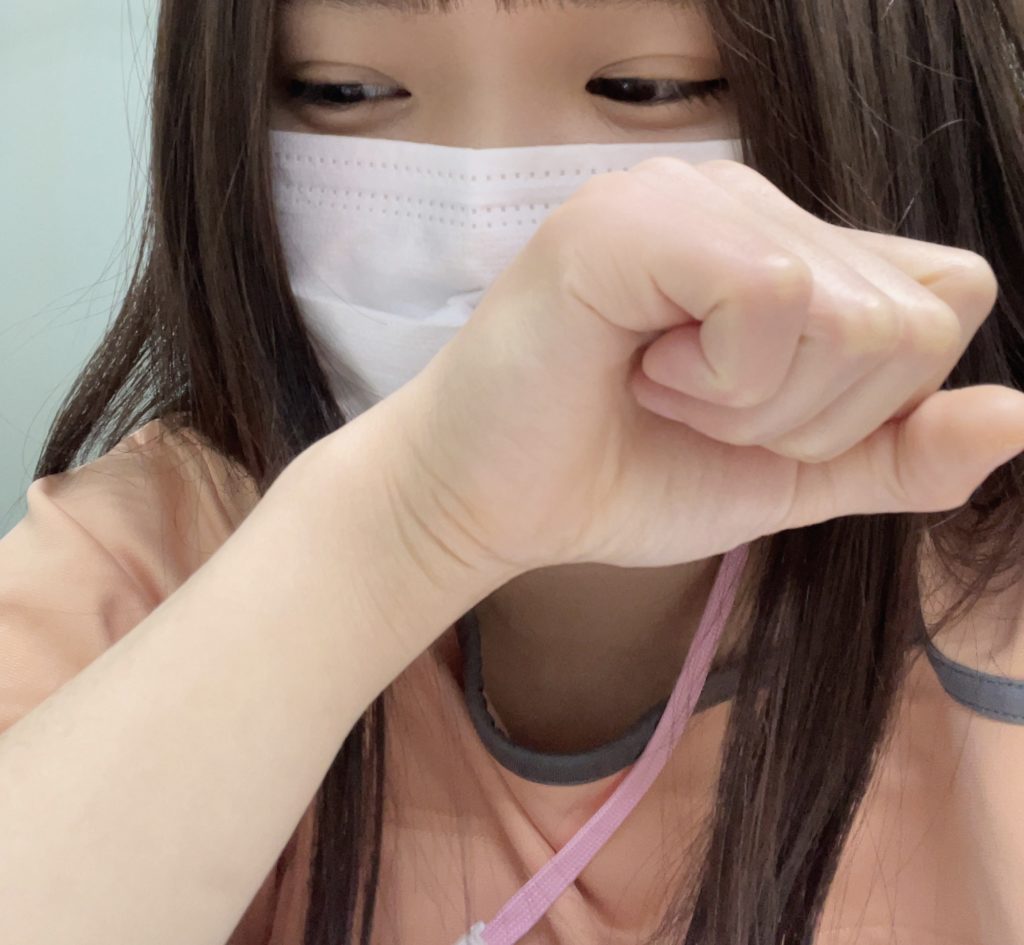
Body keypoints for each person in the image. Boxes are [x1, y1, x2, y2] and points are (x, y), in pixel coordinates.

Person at [1, 0, 1023, 942]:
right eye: (343, 91)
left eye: (648, 88)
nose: (482, 245)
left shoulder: (986, 606)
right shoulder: (148, 562)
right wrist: (398, 532)